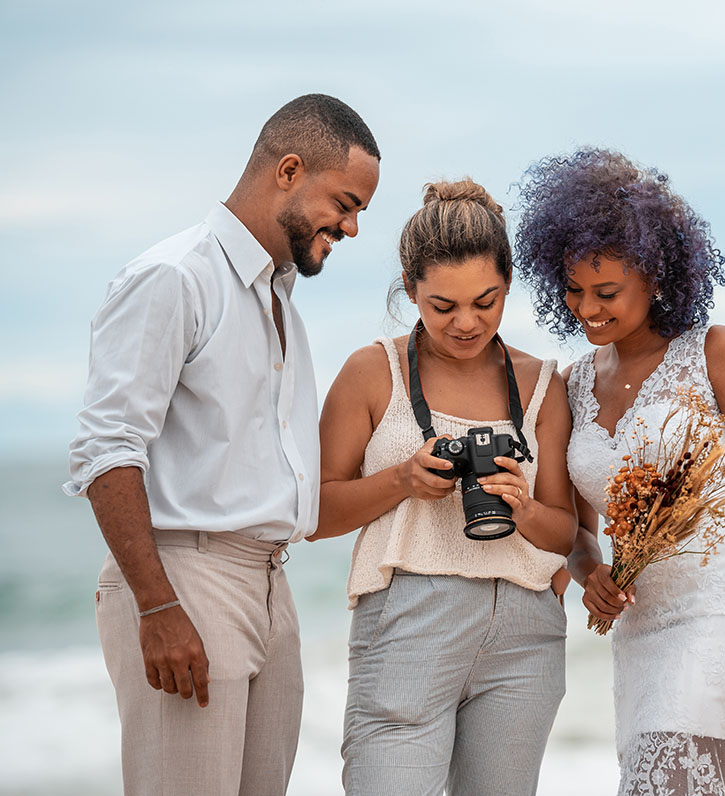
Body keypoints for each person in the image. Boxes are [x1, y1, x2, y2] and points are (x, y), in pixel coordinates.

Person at [64, 94, 381, 796]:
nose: (353, 227)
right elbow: (106, 450)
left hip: (270, 583)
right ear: (290, 171)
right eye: (347, 203)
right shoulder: (175, 278)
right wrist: (157, 606)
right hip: (187, 579)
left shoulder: (280, 305)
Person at [515, 148, 725, 794]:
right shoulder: (572, 386)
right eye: (573, 290)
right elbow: (578, 527)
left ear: (655, 278)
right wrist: (589, 572)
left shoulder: (715, 355)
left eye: (607, 293)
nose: (587, 309)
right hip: (641, 636)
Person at [313, 178, 576, 795]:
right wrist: (403, 480)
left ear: (509, 284)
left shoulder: (543, 385)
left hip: (524, 631)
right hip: (408, 618)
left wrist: (523, 503)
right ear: (410, 290)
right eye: (442, 306)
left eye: (486, 302)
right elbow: (313, 513)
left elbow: (565, 532)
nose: (466, 323)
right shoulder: (371, 371)